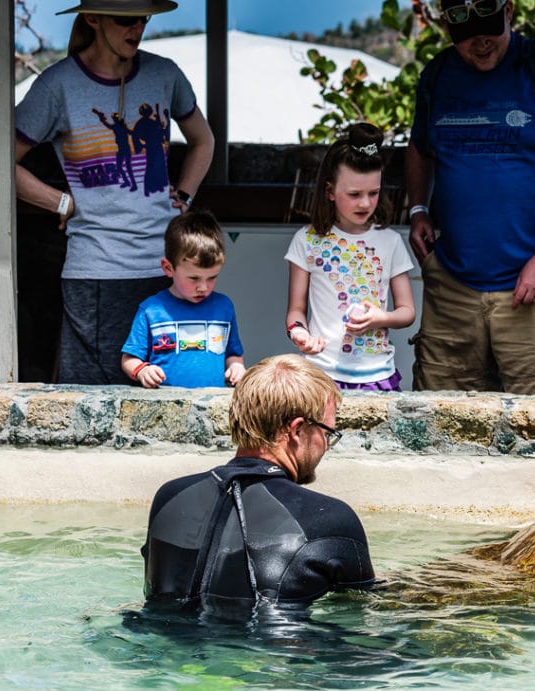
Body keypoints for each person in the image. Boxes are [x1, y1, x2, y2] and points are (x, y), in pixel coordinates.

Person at [14, 0, 214, 385]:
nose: (137, 28)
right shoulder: (57, 85)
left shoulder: (165, 74)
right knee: (93, 398)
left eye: (143, 18)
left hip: (168, 268)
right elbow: (3, 159)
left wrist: (184, 196)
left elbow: (204, 141)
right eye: (126, 19)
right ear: (92, 18)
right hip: (96, 273)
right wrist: (61, 203)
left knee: (168, 392)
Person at [406, 0, 535, 395]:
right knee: (439, 418)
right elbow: (418, 147)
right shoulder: (437, 75)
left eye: (490, 34)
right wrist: (417, 209)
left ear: (510, 12)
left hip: (534, 286)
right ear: (448, 26)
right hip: (452, 284)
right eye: (467, 39)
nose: (480, 46)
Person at [142, 354, 376, 613]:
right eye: (327, 433)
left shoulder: (170, 498)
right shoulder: (332, 519)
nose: (327, 446)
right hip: (274, 651)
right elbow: (360, 612)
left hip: (160, 645)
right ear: (297, 430)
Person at [285, 123, 416, 391]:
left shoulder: (390, 241)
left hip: (377, 375)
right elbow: (296, 310)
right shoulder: (306, 240)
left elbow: (407, 312)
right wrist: (299, 332)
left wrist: (382, 318)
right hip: (320, 374)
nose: (365, 203)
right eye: (354, 194)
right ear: (330, 191)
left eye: (374, 193)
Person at [121, 210, 246, 388]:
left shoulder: (223, 307)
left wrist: (236, 367)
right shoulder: (152, 310)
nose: (203, 287)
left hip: (211, 407)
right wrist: (141, 370)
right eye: (194, 278)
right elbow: (129, 358)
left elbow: (234, 353)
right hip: (164, 408)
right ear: (168, 268)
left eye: (212, 277)